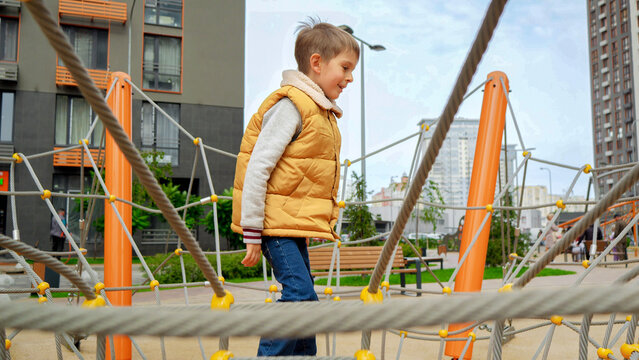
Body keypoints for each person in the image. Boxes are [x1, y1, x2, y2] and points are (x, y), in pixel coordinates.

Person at [230, 19, 359, 356]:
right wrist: (253, 230)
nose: (350, 77)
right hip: (272, 224)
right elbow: (258, 167)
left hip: (289, 224)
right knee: (299, 293)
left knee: (308, 300)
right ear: (316, 63)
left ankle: (304, 356)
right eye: (345, 67)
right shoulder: (291, 106)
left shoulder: (321, 113)